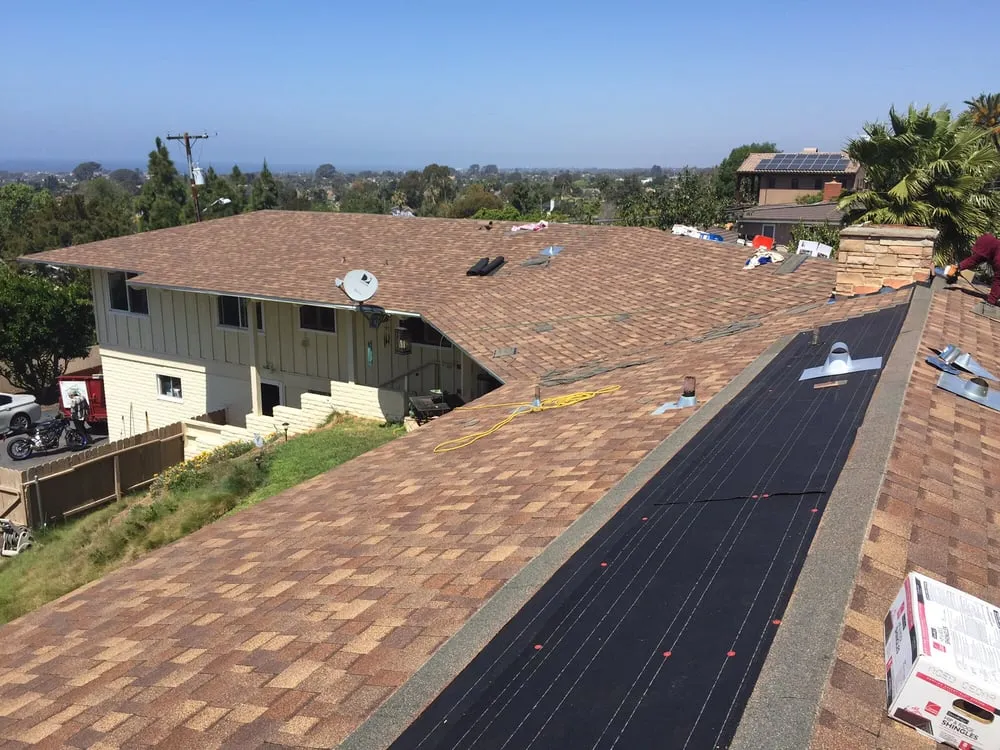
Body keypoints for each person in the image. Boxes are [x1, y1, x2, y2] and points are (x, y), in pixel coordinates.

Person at [944, 233, 1000, 305]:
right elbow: (975, 260)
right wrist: (958, 267)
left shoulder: (998, 257)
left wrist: (991, 300)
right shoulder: (991, 248)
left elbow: (998, 279)